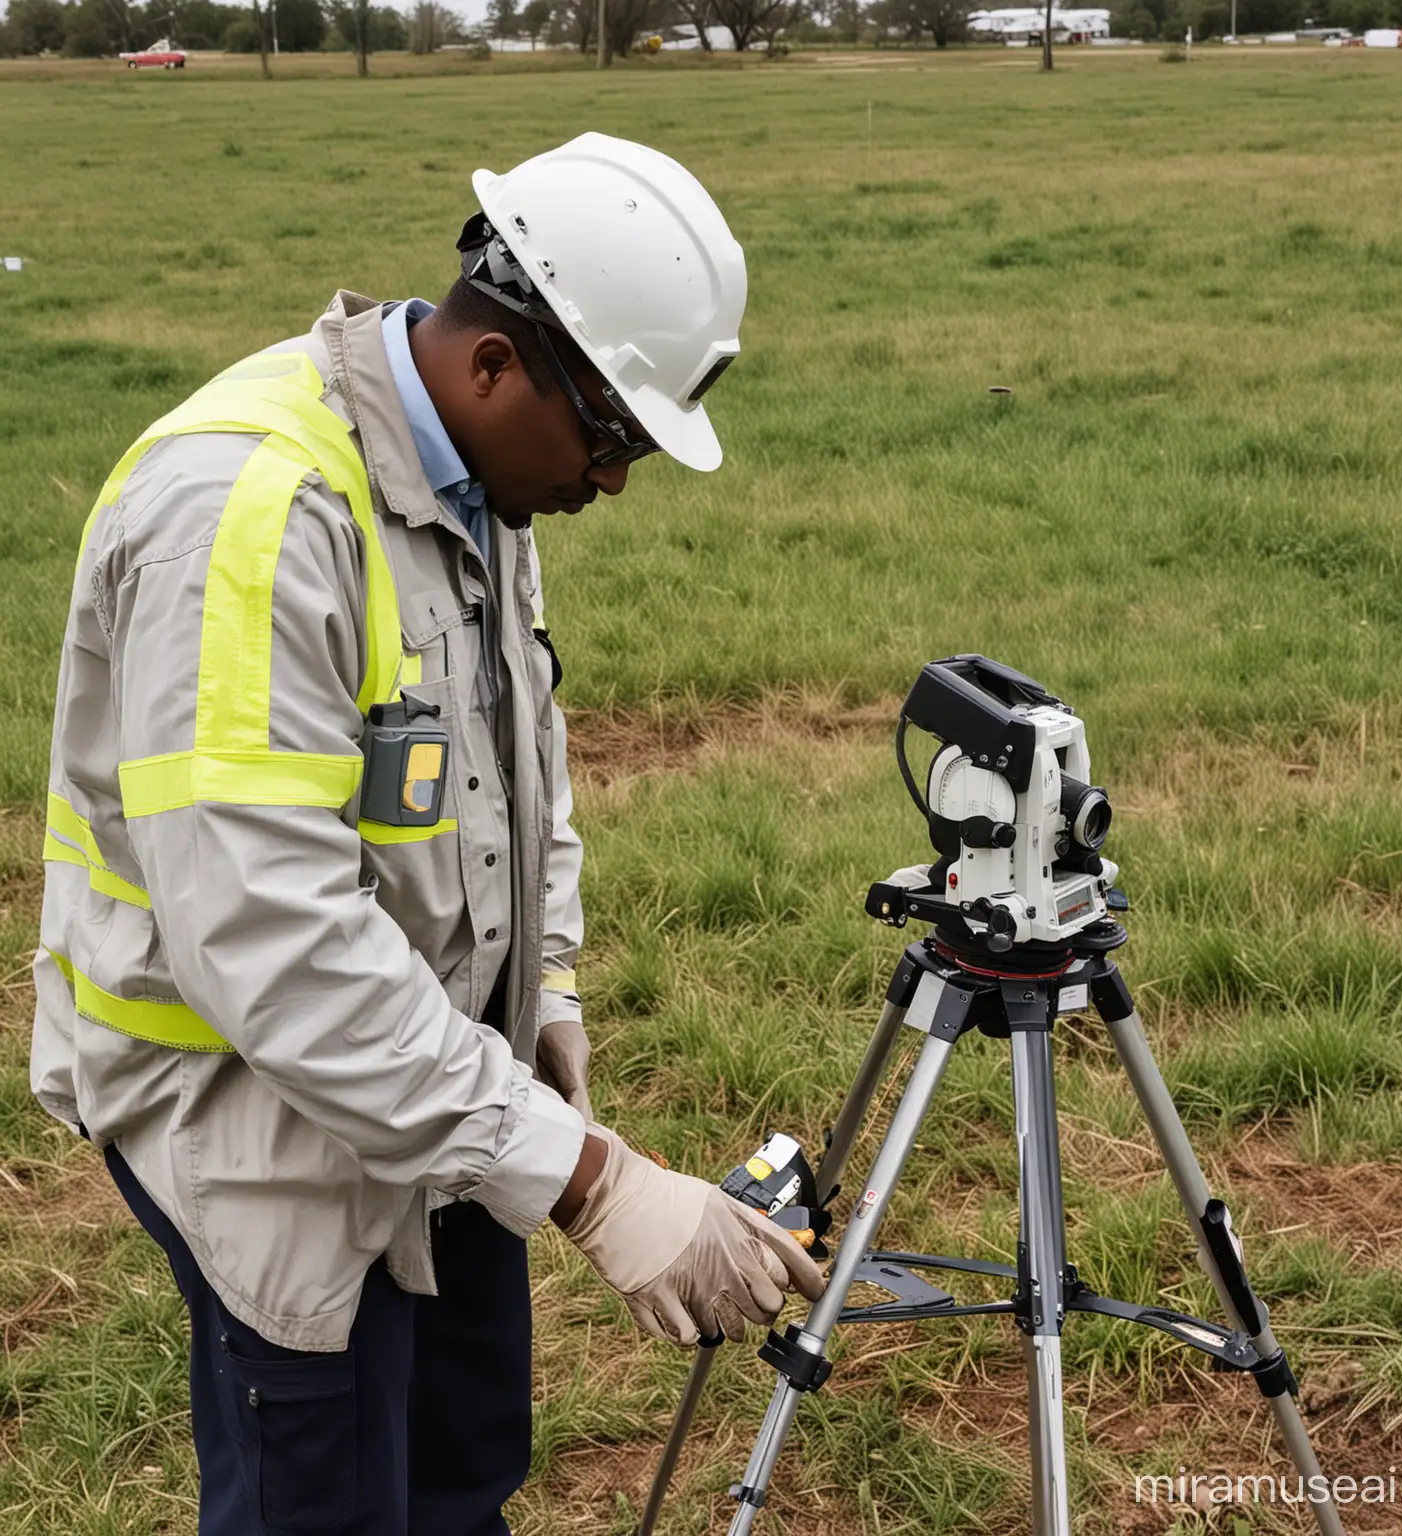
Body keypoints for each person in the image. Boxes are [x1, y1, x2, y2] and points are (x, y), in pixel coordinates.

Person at [31, 132, 824, 1536]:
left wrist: (549, 993)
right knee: (330, 1495)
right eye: (614, 438)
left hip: (437, 1088)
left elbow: (520, 768)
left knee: (460, 1471)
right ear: (496, 366)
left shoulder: (469, 475)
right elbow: (272, 950)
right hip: (256, 1113)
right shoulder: (247, 516)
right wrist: (591, 1182)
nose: (617, 482)